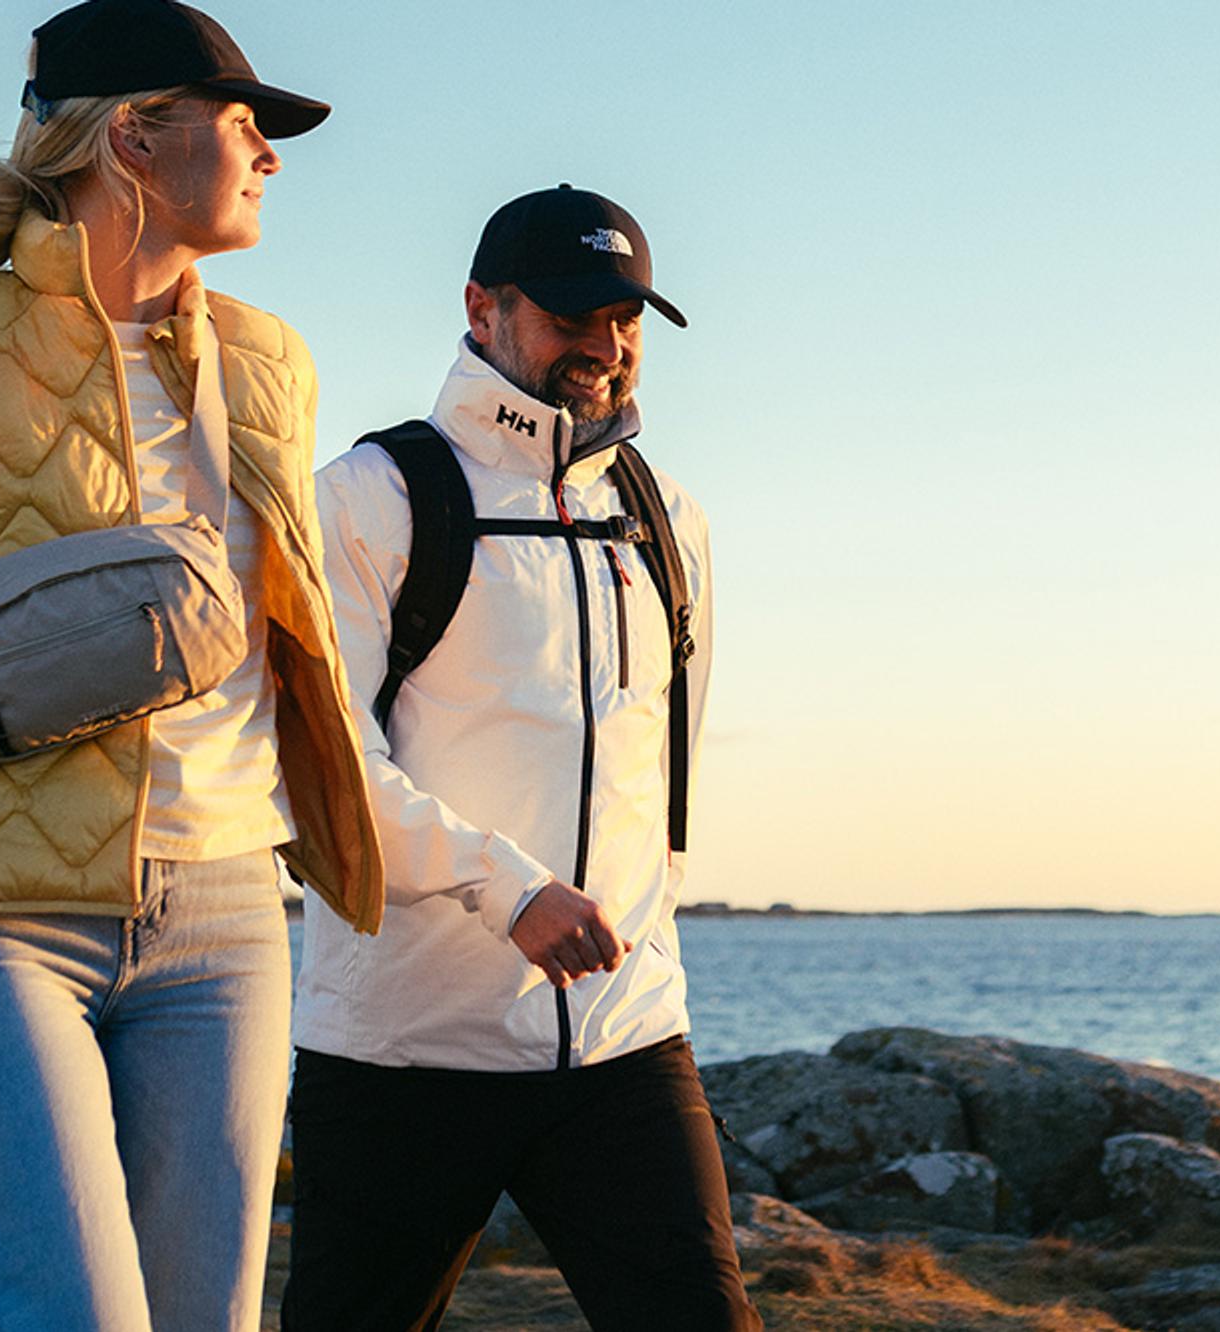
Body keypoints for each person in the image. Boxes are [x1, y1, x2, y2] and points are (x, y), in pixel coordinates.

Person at [0, 3, 382, 1328]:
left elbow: (298, 648)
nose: (271, 155)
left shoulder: (271, 362)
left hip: (224, 914)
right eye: (244, 123)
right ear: (136, 139)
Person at [283, 185, 759, 1331]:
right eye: (570, 315)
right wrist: (512, 891)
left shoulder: (667, 516)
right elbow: (317, 762)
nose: (603, 345)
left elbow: (670, 764)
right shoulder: (367, 498)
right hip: (403, 1049)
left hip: (624, 1039)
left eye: (627, 320)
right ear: (481, 310)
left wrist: (649, 923)